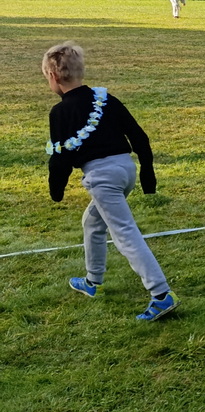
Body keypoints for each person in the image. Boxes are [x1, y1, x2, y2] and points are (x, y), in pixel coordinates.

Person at [42, 42, 179, 321]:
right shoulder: (106, 99)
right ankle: (93, 281)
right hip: (125, 170)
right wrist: (146, 174)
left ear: (53, 77)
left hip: (102, 178)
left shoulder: (60, 112)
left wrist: (56, 191)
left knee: (124, 233)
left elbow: (60, 158)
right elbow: (138, 136)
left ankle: (161, 294)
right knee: (92, 222)